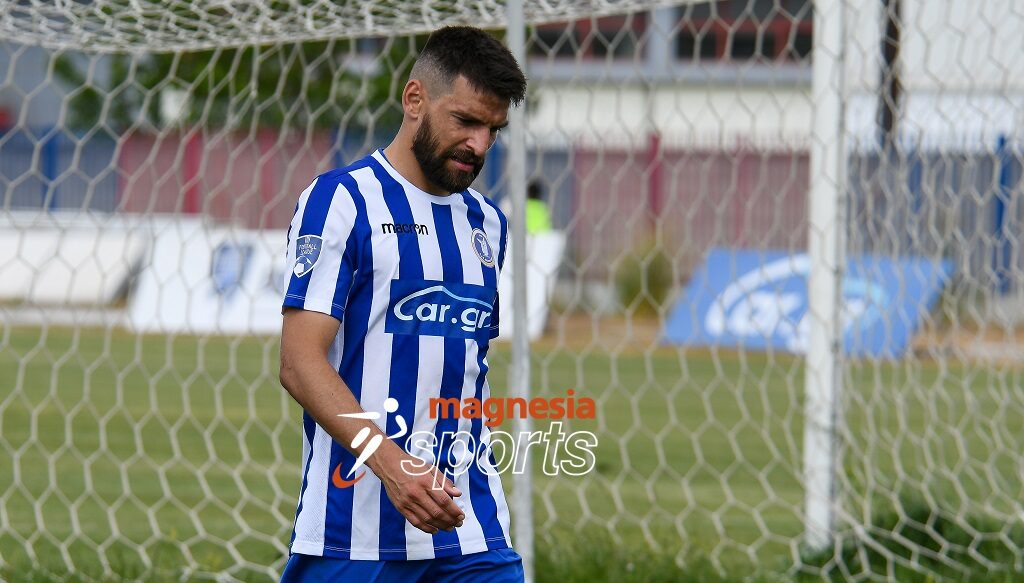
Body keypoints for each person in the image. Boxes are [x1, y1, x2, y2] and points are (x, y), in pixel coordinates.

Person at [277, 26, 527, 583]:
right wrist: (391, 464)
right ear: (415, 100)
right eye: (465, 121)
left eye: (493, 130)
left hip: (471, 531)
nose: (479, 145)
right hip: (352, 534)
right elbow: (298, 363)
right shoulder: (341, 202)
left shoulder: (488, 224)